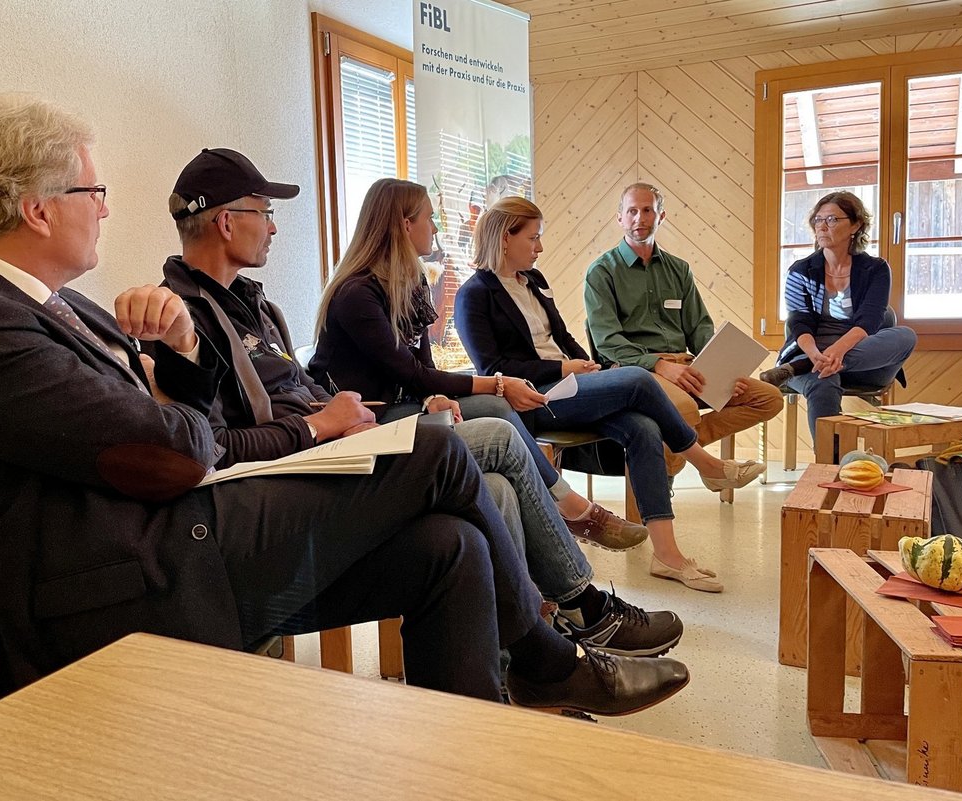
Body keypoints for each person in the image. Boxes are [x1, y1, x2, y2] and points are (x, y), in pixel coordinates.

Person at [0, 93, 688, 715]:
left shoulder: (61, 307)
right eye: (93, 189)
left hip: (185, 544)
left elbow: (179, 430)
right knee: (443, 449)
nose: (104, 206)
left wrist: (178, 356)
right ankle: (552, 658)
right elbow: (180, 450)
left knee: (452, 544)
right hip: (135, 589)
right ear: (38, 208)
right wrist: (188, 367)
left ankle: (471, 754)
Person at [158, 148, 682, 652]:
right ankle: (581, 607)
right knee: (508, 426)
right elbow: (216, 450)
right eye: (265, 213)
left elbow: (324, 389)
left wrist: (359, 416)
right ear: (227, 222)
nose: (273, 226)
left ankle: (516, 663)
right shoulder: (181, 320)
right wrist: (323, 425)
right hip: (295, 480)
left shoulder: (257, 304)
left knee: (497, 488)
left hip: (350, 438)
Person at [309, 178, 646, 554]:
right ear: (405, 225)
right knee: (631, 381)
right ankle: (570, 509)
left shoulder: (412, 280)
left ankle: (539, 588)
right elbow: (409, 372)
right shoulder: (356, 293)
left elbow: (421, 364)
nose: (435, 228)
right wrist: (497, 383)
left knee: (503, 449)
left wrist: (436, 395)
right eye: (429, 218)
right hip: (368, 421)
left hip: (406, 407)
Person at [456, 197, 769, 592]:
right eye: (533, 239)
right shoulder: (474, 294)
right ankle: (704, 463)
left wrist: (589, 367)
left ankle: (667, 555)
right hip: (534, 398)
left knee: (643, 427)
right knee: (639, 379)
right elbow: (491, 369)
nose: (540, 247)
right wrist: (563, 370)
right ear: (505, 239)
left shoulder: (534, 281)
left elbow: (563, 338)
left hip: (571, 385)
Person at [584, 183, 783, 479]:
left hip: (687, 368)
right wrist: (660, 366)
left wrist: (722, 371)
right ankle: (692, 472)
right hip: (637, 372)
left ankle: (681, 448)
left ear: (661, 216)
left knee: (768, 398)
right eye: (632, 211)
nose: (640, 218)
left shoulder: (680, 270)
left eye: (648, 210)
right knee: (685, 410)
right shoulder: (602, 271)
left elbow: (699, 327)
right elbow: (608, 342)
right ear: (620, 218)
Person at [760, 191, 915, 435]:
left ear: (856, 225)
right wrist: (813, 354)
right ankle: (829, 466)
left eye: (832, 220)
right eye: (818, 220)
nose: (822, 226)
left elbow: (871, 320)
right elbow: (799, 322)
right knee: (823, 380)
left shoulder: (876, 269)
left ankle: (798, 366)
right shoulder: (800, 271)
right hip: (811, 354)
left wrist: (836, 352)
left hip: (863, 359)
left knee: (906, 336)